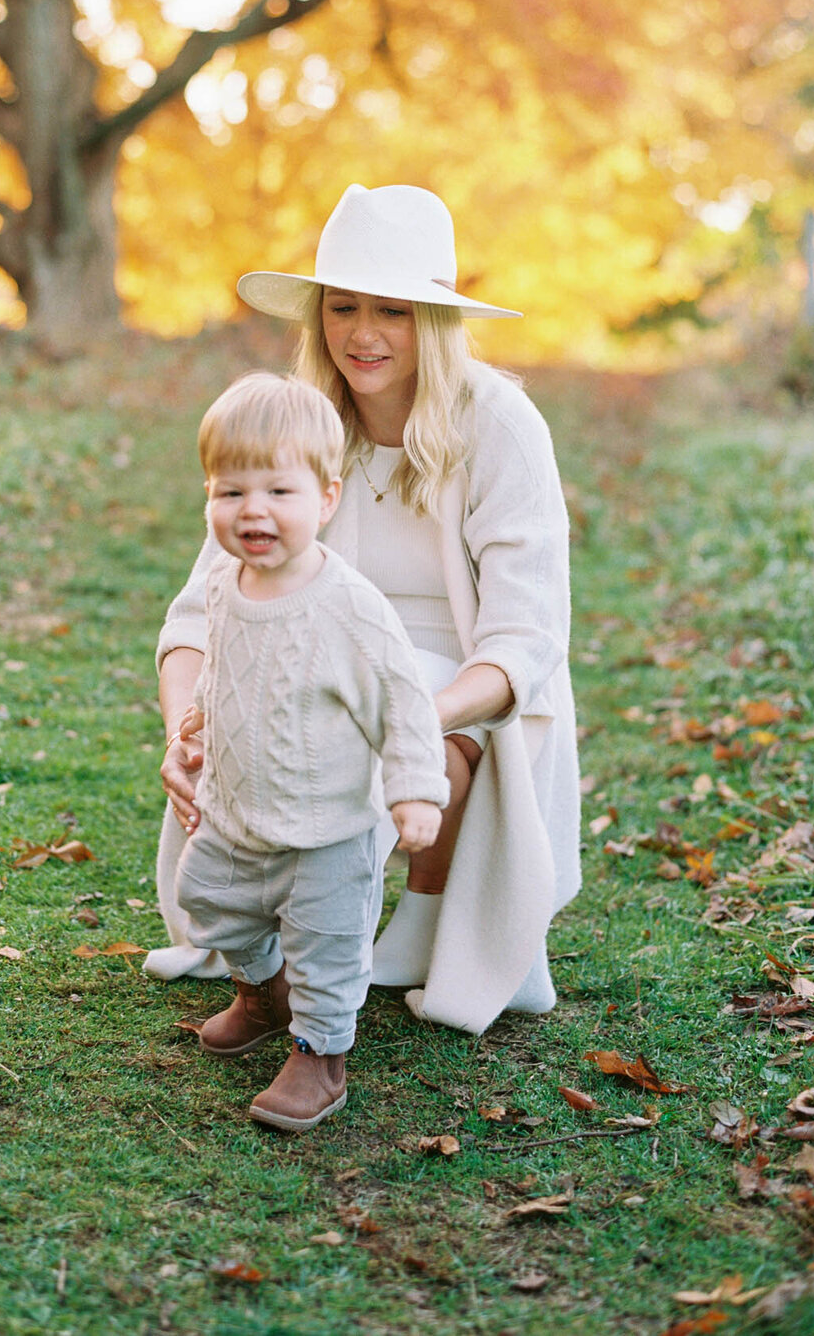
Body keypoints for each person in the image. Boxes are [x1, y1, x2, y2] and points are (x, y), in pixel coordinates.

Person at [152, 183, 581, 1035]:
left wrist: (415, 713)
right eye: (342, 307)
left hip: (459, 674)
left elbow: (525, 638)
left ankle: (424, 917)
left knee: (388, 719)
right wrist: (187, 726)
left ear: (435, 321)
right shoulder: (297, 421)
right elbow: (199, 612)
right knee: (277, 713)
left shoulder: (499, 423)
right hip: (305, 651)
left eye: (392, 309)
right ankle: (269, 949)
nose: (363, 333)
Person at [173, 371, 450, 1130]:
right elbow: (225, 663)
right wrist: (197, 719)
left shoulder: (351, 607)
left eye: (279, 492)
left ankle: (320, 1055)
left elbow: (402, 701)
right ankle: (262, 992)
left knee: (327, 950)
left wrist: (416, 789)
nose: (252, 510)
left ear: (326, 500)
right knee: (208, 902)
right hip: (236, 815)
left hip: (329, 829)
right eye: (230, 492)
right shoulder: (229, 584)